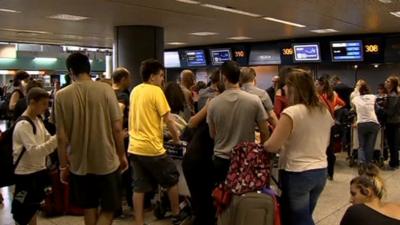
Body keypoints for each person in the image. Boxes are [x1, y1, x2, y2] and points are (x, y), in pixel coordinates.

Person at [55, 52, 128, 225]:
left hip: (79, 163)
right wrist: (121, 154)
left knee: (89, 207)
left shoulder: (61, 96)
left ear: (71, 71)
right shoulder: (105, 90)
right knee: (110, 208)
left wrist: (63, 165)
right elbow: (117, 128)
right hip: (106, 160)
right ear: (89, 68)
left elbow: (60, 137)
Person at [263, 68, 334, 225]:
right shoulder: (324, 111)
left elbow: (273, 145)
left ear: (294, 88)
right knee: (305, 215)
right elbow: (326, 143)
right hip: (320, 171)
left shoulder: (291, 113)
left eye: (287, 86)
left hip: (297, 173)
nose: (284, 90)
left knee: (299, 220)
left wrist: (263, 145)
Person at [128, 59, 183, 225]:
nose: (162, 79)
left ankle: (139, 221)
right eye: (160, 76)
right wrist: (176, 139)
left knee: (139, 186)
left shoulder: (135, 91)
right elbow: (169, 120)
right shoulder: (156, 91)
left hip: (134, 147)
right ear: (152, 77)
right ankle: (176, 213)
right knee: (172, 177)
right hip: (152, 147)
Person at [207, 61, 269, 184]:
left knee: (222, 198)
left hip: (221, 159)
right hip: (246, 158)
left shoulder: (213, 103)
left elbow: (212, 134)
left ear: (223, 77)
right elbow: (264, 130)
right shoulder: (254, 100)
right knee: (244, 199)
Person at [12, 87, 57, 225]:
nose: (45, 107)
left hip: (38, 172)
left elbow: (47, 140)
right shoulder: (24, 124)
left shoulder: (38, 120)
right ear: (32, 102)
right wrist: (57, 139)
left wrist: (53, 141)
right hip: (25, 175)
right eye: (43, 104)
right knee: (23, 213)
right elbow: (35, 152)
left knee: (32, 210)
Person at [111, 67, 133, 213]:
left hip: (108, 138)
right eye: (129, 78)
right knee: (125, 171)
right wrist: (119, 131)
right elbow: (119, 110)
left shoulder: (107, 93)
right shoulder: (122, 95)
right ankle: (125, 204)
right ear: (123, 79)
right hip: (120, 138)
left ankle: (114, 205)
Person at [316, 76, 345, 180]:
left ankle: (324, 173)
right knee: (330, 150)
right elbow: (342, 104)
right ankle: (330, 173)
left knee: (323, 150)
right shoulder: (332, 94)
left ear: (322, 85)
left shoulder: (319, 97)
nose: (315, 86)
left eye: (317, 84)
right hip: (331, 124)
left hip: (323, 125)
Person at [352, 82, 380, 165]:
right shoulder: (373, 97)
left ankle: (361, 162)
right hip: (373, 123)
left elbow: (354, 110)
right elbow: (376, 109)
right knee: (370, 146)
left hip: (361, 123)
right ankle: (368, 164)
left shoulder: (356, 99)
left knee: (361, 145)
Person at [384, 75, 400, 170]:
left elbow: (390, 111)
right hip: (393, 121)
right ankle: (394, 161)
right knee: (393, 142)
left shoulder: (393, 96)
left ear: (393, 84)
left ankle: (394, 162)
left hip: (393, 122)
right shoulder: (392, 95)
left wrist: (381, 109)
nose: (386, 82)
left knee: (393, 143)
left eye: (388, 81)